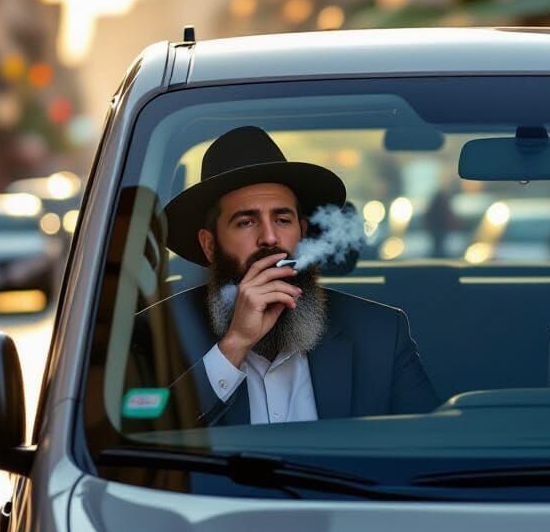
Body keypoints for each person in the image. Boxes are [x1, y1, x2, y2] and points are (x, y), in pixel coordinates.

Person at [132, 126, 438, 427]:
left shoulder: (380, 334)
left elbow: (430, 448)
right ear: (210, 245)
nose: (269, 237)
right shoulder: (156, 333)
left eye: (282, 219)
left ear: (302, 234)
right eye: (245, 222)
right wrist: (234, 345)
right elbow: (133, 429)